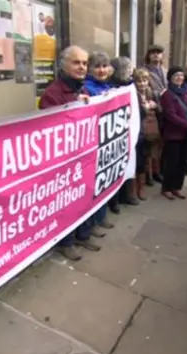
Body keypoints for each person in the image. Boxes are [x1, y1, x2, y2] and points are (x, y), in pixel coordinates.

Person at [39, 45, 100, 261]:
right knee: (66, 202)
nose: (82, 67)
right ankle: (66, 242)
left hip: (84, 154)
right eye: (77, 62)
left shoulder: (81, 89)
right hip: (65, 161)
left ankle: (84, 233)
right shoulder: (52, 94)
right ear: (63, 65)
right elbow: (50, 129)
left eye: (84, 63)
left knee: (84, 195)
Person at [83, 51, 115, 237]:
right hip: (94, 143)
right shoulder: (87, 88)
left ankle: (101, 216)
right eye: (97, 66)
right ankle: (91, 223)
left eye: (104, 66)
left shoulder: (108, 86)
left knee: (104, 181)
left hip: (106, 141)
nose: (102, 70)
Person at [159, 66, 187, 200]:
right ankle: (167, 188)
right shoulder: (167, 94)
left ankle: (177, 187)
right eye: (176, 75)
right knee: (172, 162)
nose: (179, 78)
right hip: (173, 135)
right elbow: (170, 114)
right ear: (170, 78)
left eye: (181, 75)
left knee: (183, 162)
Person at [108, 56, 138, 210]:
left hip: (127, 132)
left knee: (127, 166)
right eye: (128, 68)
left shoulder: (130, 86)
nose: (131, 71)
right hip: (116, 133)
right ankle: (114, 201)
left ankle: (125, 196)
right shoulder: (111, 87)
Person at [133, 68, 161, 200]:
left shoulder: (151, 94)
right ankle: (135, 189)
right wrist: (144, 109)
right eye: (139, 81)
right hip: (137, 132)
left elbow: (161, 111)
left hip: (149, 132)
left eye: (145, 80)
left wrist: (155, 106)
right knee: (137, 161)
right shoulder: (132, 95)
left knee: (146, 159)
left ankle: (142, 187)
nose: (142, 84)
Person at [142, 45, 168, 185]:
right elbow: (145, 90)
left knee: (160, 144)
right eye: (153, 53)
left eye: (158, 53)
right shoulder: (144, 71)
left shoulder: (165, 71)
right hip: (151, 110)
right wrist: (161, 94)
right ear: (148, 55)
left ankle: (157, 171)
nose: (156, 55)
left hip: (165, 111)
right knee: (150, 142)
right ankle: (149, 174)